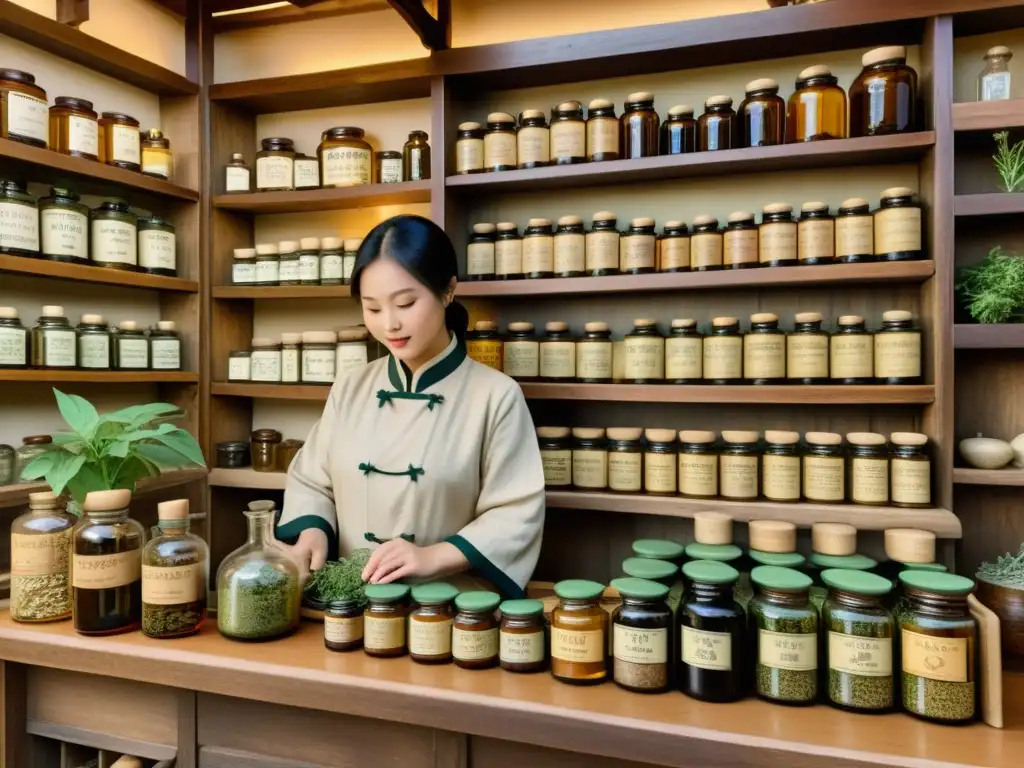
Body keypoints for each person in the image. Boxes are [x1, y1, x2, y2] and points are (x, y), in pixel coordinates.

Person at [275, 214, 545, 597]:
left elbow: (516, 512)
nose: (390, 325)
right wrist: (313, 531)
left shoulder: (496, 396)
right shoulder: (350, 388)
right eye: (373, 308)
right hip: (351, 604)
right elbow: (312, 480)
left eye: (405, 303)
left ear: (448, 290)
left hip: (449, 611)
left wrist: (434, 556)